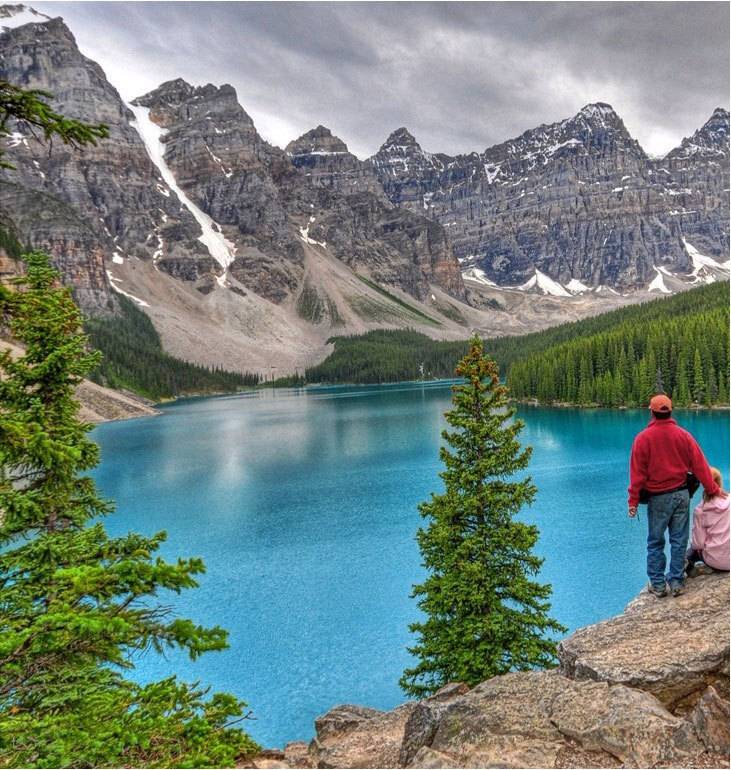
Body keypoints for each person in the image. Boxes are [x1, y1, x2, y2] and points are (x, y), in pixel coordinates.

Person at [628, 394, 722, 598]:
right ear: (670, 411)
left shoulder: (642, 439)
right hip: (681, 494)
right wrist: (713, 490)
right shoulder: (683, 435)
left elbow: (637, 475)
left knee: (655, 542)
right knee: (679, 540)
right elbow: (700, 466)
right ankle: (677, 582)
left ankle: (658, 585)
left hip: (658, 498)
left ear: (651, 412)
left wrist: (633, 501)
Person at [686, 467, 729, 575]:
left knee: (692, 550)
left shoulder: (700, 510)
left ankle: (684, 571)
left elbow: (698, 544)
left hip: (717, 562)